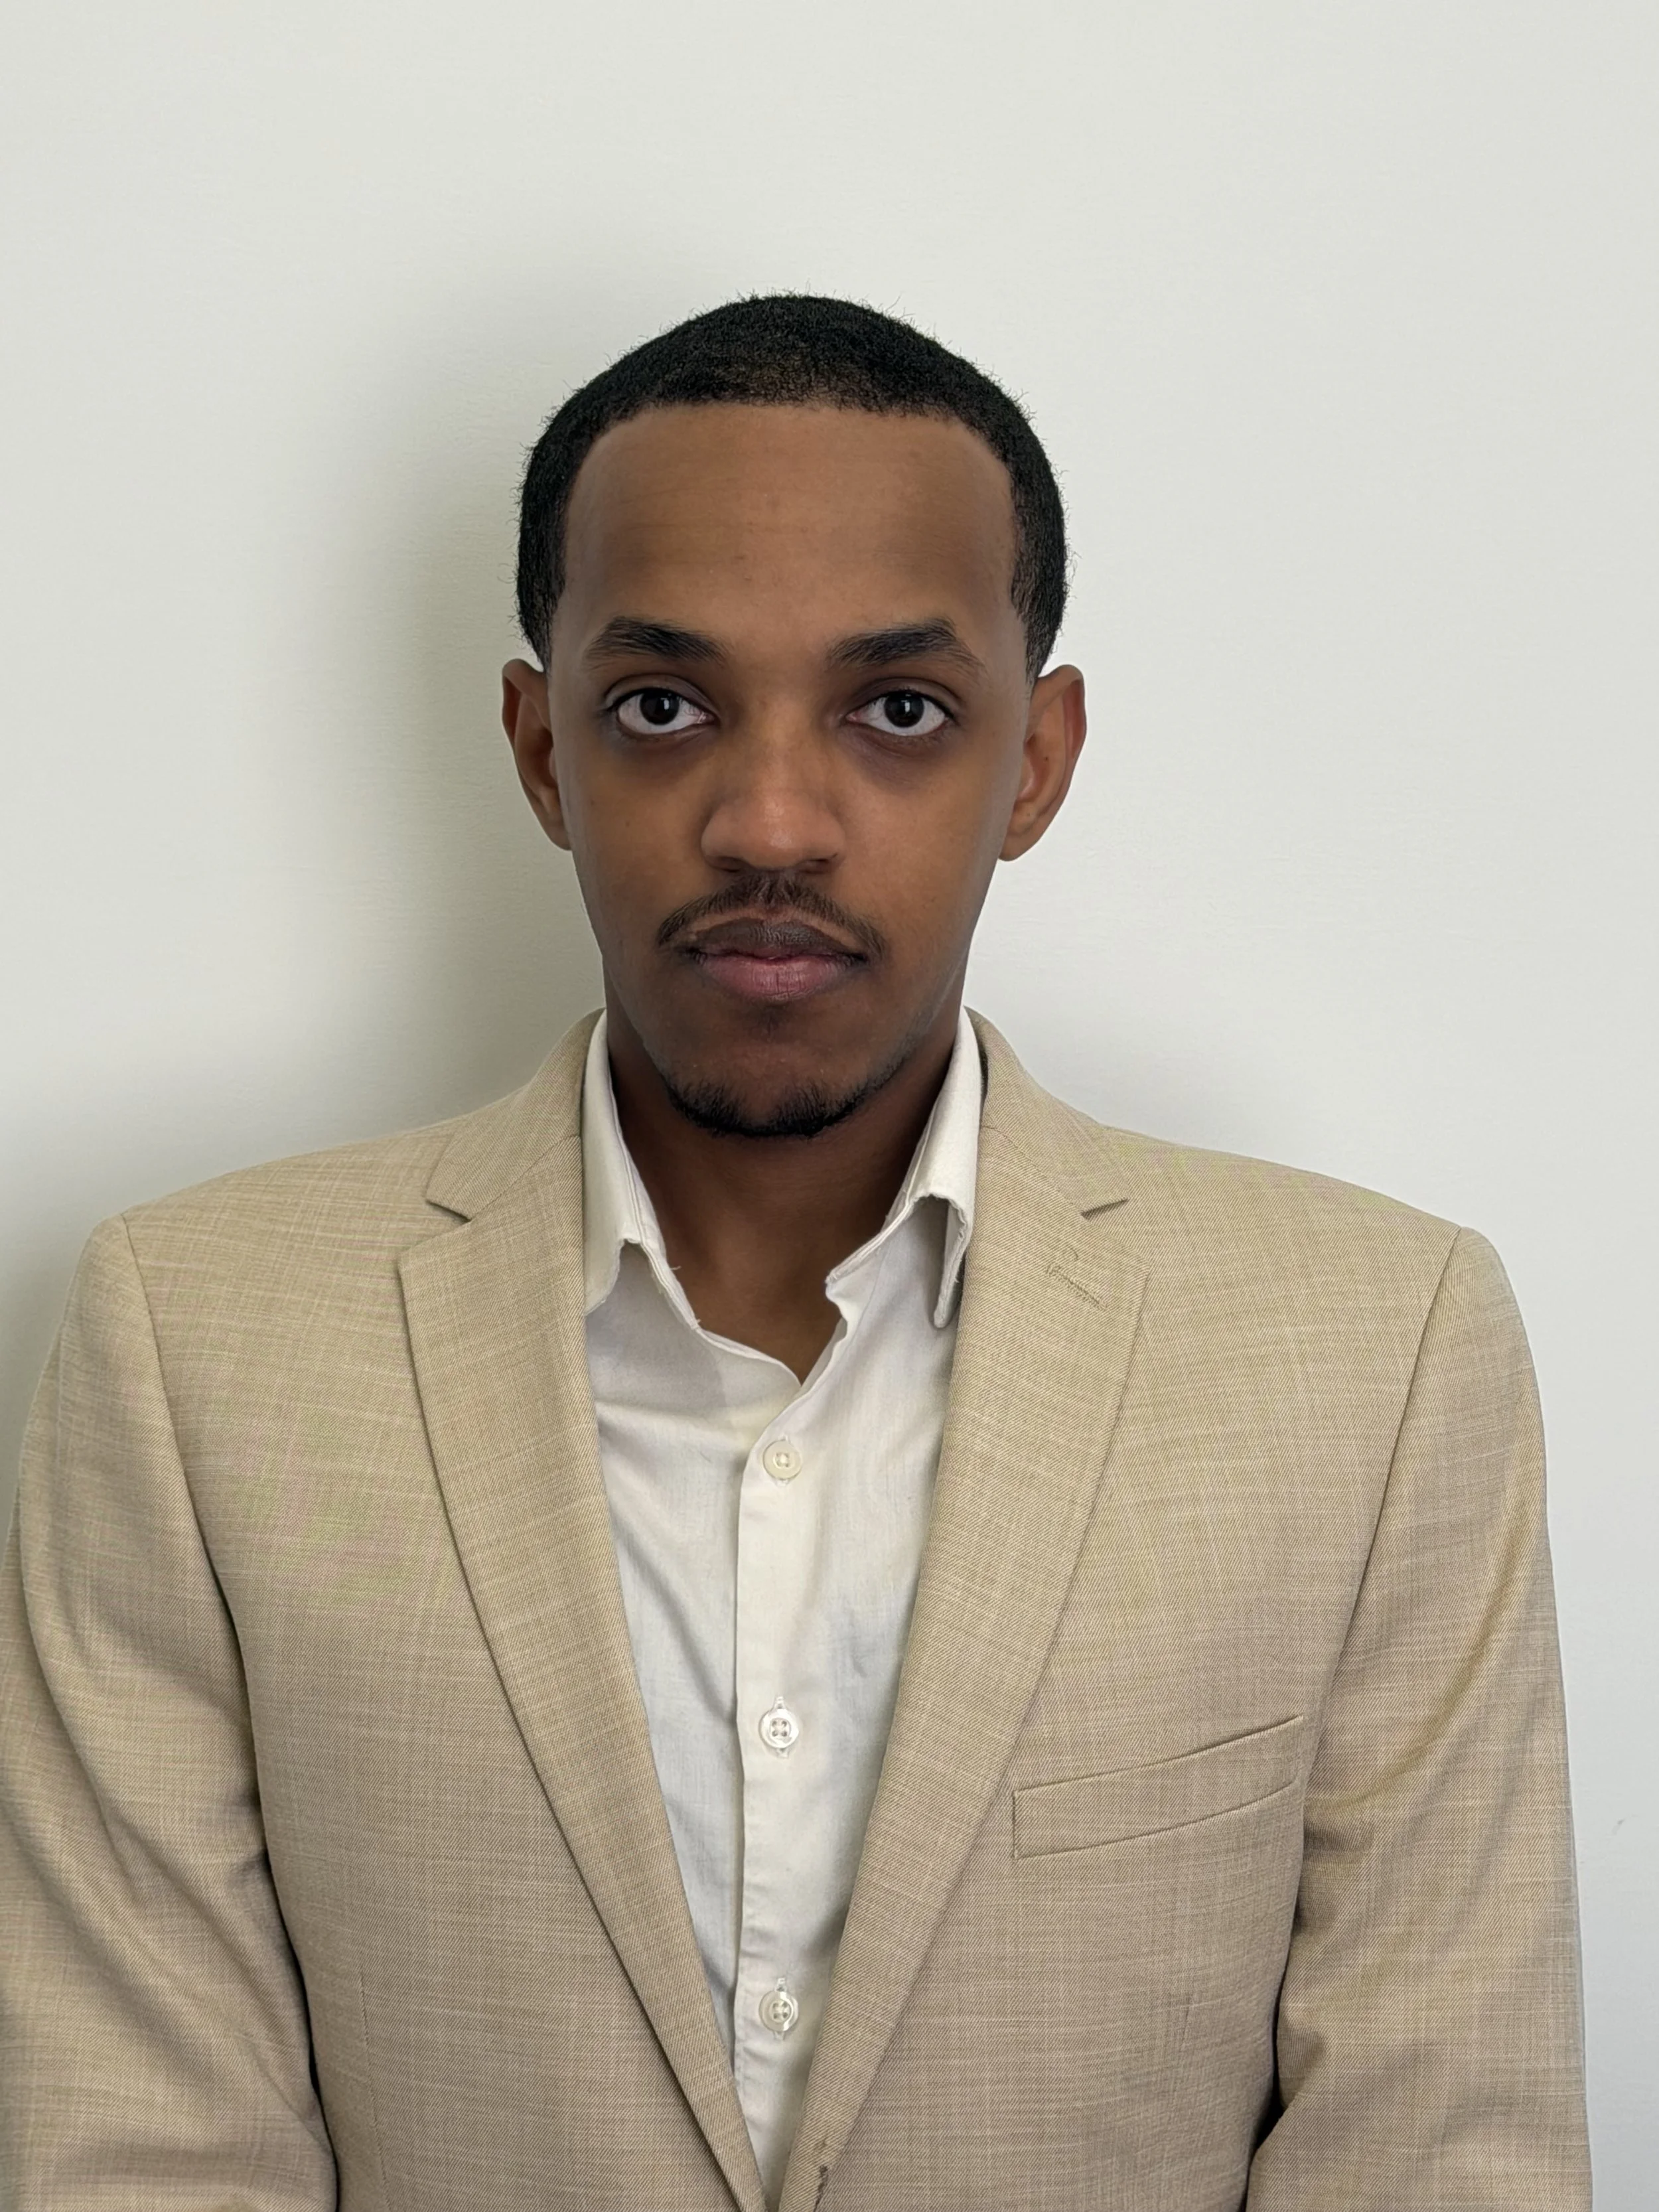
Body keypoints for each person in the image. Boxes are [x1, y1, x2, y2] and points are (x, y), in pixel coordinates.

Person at [0, 295, 1589, 2211]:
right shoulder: (197, 1341)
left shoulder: (1372, 1350)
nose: (767, 818)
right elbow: (139, 2150)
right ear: (537, 746)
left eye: (895, 709)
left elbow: (1436, 2151)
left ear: (1035, 758)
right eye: (663, 705)